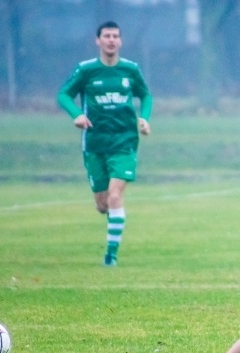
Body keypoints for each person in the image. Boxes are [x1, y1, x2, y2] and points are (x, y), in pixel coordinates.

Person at [57, 20, 153, 267]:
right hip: (95, 143)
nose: (111, 40)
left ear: (120, 41)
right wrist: (76, 114)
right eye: (106, 36)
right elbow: (64, 94)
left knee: (114, 195)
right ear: (97, 40)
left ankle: (111, 256)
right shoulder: (86, 70)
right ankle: (114, 215)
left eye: (115, 36)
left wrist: (144, 118)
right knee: (102, 204)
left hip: (124, 141)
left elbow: (145, 94)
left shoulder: (130, 70)